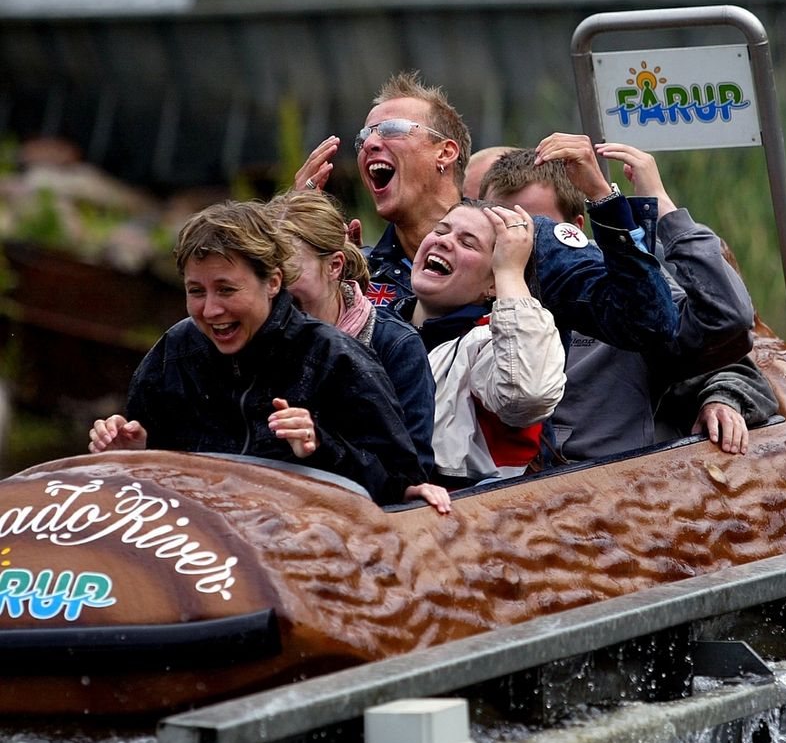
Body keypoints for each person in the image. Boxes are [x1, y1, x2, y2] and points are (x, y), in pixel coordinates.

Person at [88, 199, 451, 513]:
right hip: (194, 542)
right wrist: (132, 452)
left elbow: (400, 481)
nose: (211, 310)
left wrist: (319, 446)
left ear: (273, 282)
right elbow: (141, 485)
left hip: (298, 543)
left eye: (227, 290)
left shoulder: (334, 357)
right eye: (196, 291)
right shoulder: (177, 351)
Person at [294, 71, 680, 356]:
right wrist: (292, 242)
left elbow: (651, 325)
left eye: (391, 130)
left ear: (445, 152)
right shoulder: (364, 268)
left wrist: (602, 199)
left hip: (513, 465)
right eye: (364, 137)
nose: (370, 144)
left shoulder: (526, 241)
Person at [479, 142, 778, 458]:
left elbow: (726, 332)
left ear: (575, 229)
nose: (516, 241)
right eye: (499, 225)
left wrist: (722, 397)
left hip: (610, 485)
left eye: (535, 229)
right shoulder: (458, 286)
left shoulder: (625, 298)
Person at [390, 199, 566, 487]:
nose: (444, 242)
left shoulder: (490, 343)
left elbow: (528, 393)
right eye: (440, 230)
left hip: (469, 519)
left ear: (493, 285)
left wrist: (510, 273)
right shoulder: (378, 322)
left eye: (468, 243)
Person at [266, 189, 437, 480]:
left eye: (289, 272)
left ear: (334, 266)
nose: (276, 287)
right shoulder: (246, 338)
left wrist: (319, 444)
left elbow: (411, 471)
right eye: (265, 273)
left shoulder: (394, 345)